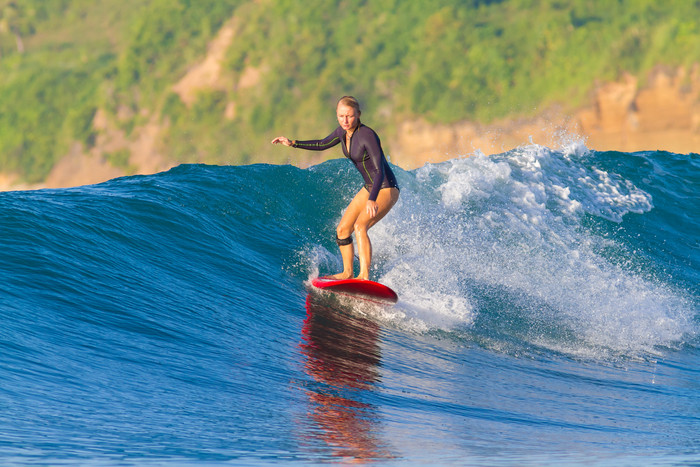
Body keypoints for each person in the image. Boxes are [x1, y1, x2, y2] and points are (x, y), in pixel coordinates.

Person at [272, 96, 399, 281]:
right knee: (342, 230)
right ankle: (348, 273)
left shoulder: (367, 135)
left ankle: (364, 276)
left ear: (358, 115)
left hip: (386, 187)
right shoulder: (343, 132)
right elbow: (322, 144)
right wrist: (293, 143)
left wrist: (372, 199)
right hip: (370, 186)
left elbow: (379, 169)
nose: (345, 121)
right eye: (341, 116)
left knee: (360, 226)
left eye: (349, 116)